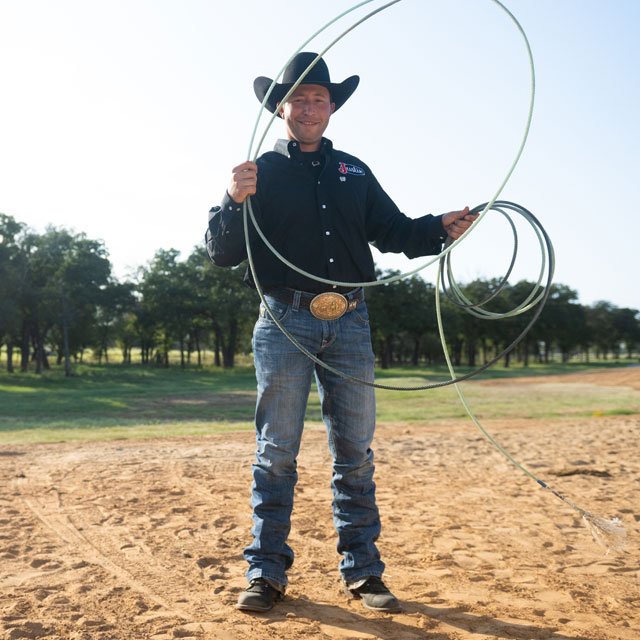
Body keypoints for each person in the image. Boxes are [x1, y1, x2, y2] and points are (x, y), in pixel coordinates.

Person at [205, 52, 477, 614]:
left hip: (350, 321)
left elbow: (394, 230)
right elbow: (222, 254)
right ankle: (264, 572)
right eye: (298, 98)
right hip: (283, 320)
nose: (309, 107)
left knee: (354, 453)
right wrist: (231, 200)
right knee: (276, 452)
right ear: (279, 107)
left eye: (319, 98)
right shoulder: (256, 172)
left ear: (332, 107)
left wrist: (439, 228)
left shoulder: (354, 170)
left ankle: (364, 572)